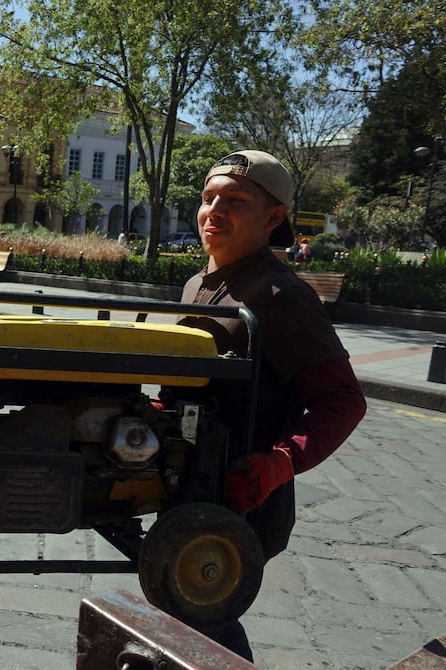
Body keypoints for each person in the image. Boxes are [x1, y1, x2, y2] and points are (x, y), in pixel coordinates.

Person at [173, 150, 366, 660]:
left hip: (243, 496)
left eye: (235, 201)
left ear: (274, 217)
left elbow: (343, 400)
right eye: (208, 198)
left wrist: (280, 462)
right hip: (188, 486)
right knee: (186, 619)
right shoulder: (199, 283)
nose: (214, 211)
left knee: (204, 617)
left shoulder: (281, 293)